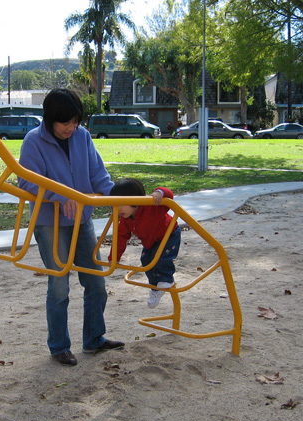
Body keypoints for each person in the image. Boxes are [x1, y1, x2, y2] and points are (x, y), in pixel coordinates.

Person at [18, 88, 124, 366]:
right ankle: (59, 346)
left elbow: (98, 175)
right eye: (65, 122)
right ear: (50, 119)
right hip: (49, 223)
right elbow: (28, 181)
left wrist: (118, 199)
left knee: (96, 283)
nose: (71, 127)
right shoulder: (33, 141)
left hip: (82, 219)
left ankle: (93, 338)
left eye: (75, 121)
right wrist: (60, 196)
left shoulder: (83, 137)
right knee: (59, 287)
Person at [107, 178, 181, 309]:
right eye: (114, 205)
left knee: (161, 258)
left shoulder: (151, 206)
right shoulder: (126, 219)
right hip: (150, 241)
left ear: (135, 200)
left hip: (168, 235)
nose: (117, 209)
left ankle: (166, 279)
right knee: (146, 260)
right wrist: (114, 257)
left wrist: (159, 193)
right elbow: (120, 238)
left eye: (121, 204)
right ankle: (155, 288)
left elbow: (169, 195)